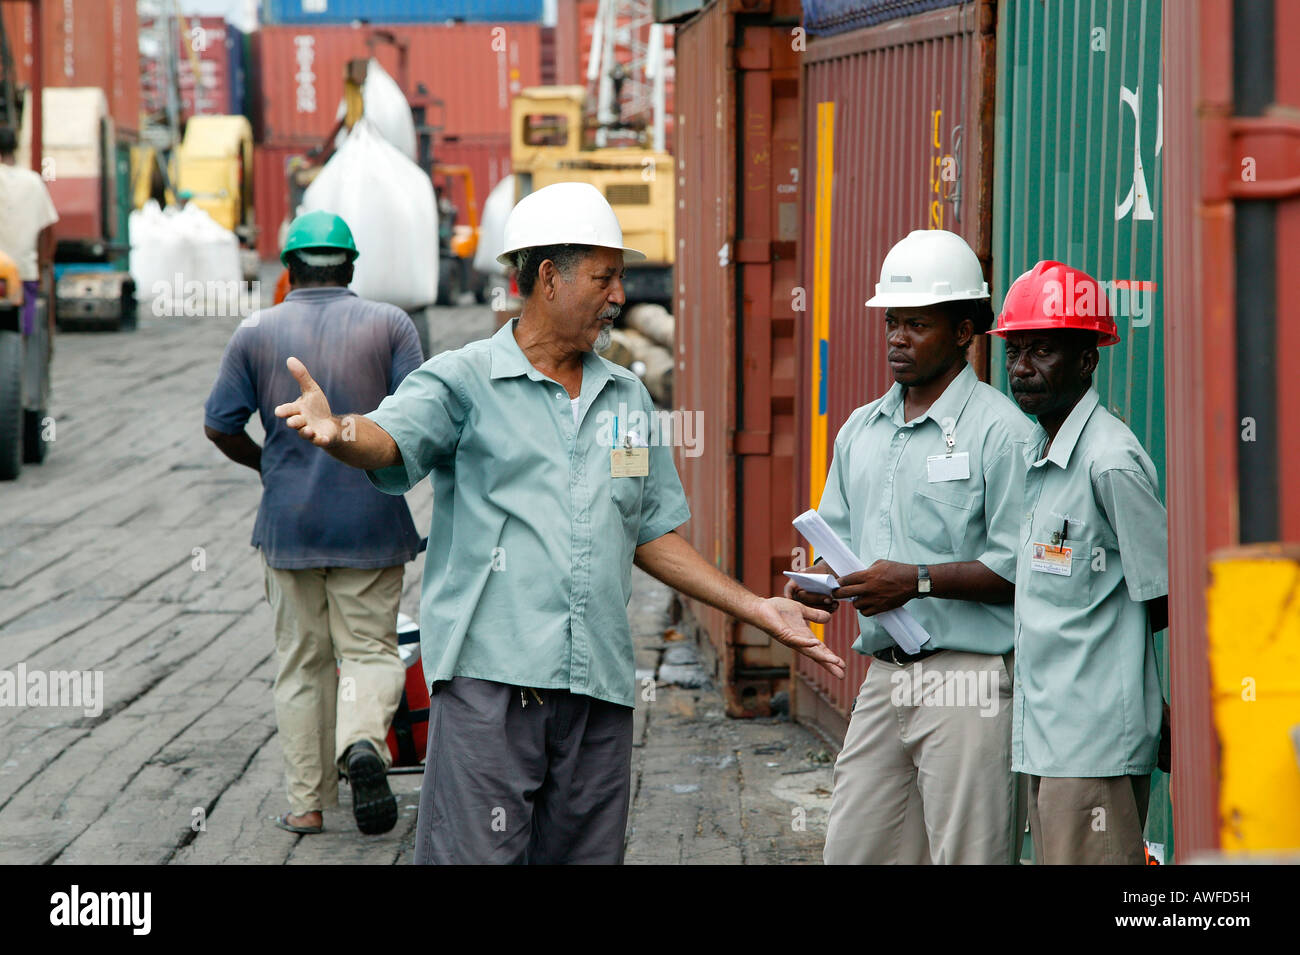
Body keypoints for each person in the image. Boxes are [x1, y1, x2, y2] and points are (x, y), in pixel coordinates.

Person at [274, 181, 845, 864]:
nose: (619, 296)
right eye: (605, 277)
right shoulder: (465, 381)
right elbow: (390, 440)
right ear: (548, 276)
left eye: (619, 278)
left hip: (598, 688)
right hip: (492, 687)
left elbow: (650, 531)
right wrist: (338, 430)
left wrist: (756, 608)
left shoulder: (627, 396)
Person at [787, 230, 1033, 864]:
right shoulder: (860, 430)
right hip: (883, 679)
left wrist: (917, 580)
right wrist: (816, 583)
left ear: (964, 330)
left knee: (969, 856)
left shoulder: (1002, 433)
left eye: (917, 325)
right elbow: (837, 540)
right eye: (892, 323)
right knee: (853, 850)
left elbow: (1022, 572)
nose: (897, 338)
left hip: (970, 679)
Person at [203, 211, 424, 837]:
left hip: (288, 525)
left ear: (286, 269)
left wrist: (268, 465)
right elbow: (416, 420)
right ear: (351, 266)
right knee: (370, 651)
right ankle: (361, 744)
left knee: (300, 662)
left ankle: (307, 805)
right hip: (371, 521)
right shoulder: (390, 325)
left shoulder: (256, 331)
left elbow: (219, 424)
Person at [992, 260, 1169, 865]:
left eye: (1041, 351)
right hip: (1045, 738)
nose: (1021, 368)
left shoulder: (1108, 461)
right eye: (1014, 352)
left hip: (1093, 745)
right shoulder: (1042, 453)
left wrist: (1146, 703)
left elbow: (1165, 593)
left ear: (1088, 360)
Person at [0, 126, 58, 339]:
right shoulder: (34, 182)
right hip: (25, 271)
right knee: (25, 334)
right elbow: (47, 231)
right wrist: (42, 265)